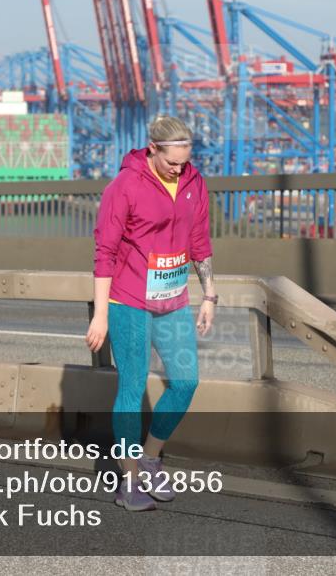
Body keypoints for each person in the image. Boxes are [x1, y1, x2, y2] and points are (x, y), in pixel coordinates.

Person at [86, 115, 217, 512]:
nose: (179, 169)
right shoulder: (123, 186)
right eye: (171, 161)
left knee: (186, 382)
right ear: (153, 149)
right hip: (128, 301)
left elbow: (199, 241)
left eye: (185, 161)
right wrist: (100, 314)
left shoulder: (194, 184)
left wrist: (209, 294)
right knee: (132, 385)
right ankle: (128, 481)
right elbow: (104, 252)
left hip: (173, 299)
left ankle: (151, 457)